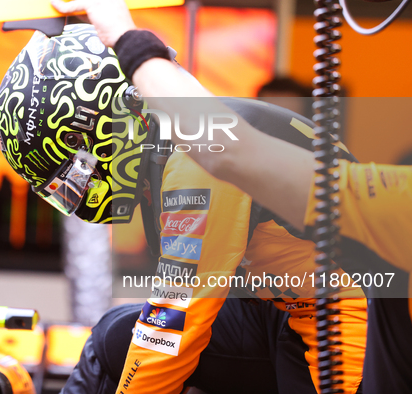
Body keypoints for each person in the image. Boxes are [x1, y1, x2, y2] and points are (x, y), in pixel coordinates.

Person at [49, 0, 412, 392]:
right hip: (290, 314)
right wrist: (124, 38)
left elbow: (170, 334)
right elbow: (229, 149)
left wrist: (122, 34)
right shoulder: (396, 197)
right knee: (117, 332)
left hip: (354, 340)